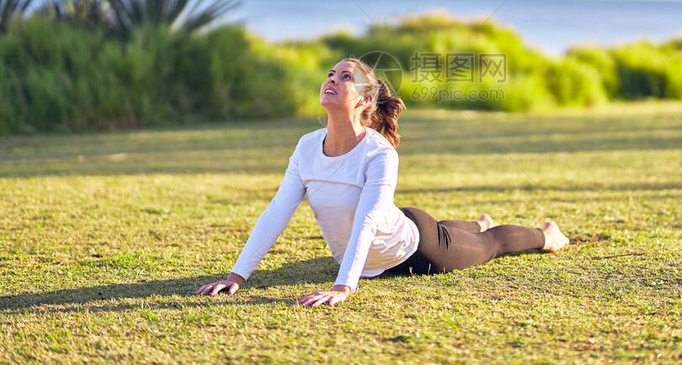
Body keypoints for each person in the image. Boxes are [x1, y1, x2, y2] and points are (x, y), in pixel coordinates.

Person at [195, 57, 570, 307]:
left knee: (490, 243)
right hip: (382, 232)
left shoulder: (379, 153)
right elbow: (278, 211)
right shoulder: (307, 147)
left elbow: (368, 220)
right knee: (459, 230)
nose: (332, 80)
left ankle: (548, 236)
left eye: (346, 78)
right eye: (331, 74)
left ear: (366, 98)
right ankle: (476, 222)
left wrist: (344, 287)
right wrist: (236, 276)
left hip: (415, 248)